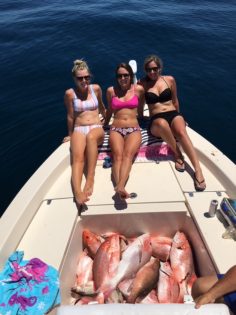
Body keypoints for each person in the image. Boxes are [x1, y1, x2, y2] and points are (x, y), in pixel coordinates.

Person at [139, 54, 206, 191]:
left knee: (181, 131)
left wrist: (180, 117)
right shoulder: (142, 84)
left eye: (154, 68)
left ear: (160, 68)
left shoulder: (169, 80)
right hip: (156, 119)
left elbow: (175, 101)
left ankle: (198, 170)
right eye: (148, 69)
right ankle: (178, 154)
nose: (152, 72)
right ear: (145, 70)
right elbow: (140, 105)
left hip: (173, 113)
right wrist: (140, 117)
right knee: (163, 124)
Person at [63, 59, 106, 206]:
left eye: (86, 77)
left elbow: (101, 106)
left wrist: (107, 120)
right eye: (80, 78)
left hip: (96, 127)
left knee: (92, 137)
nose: (84, 80)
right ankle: (77, 192)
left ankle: (90, 178)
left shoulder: (96, 89)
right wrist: (70, 134)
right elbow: (70, 116)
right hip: (79, 128)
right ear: (74, 79)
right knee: (78, 159)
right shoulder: (70, 94)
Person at [104, 62, 145, 199]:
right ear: (116, 77)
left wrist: (145, 119)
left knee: (128, 155)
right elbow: (109, 110)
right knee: (117, 156)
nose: (123, 78)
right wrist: (104, 124)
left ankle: (120, 186)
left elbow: (141, 108)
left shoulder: (138, 89)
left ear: (130, 75)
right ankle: (120, 186)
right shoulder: (111, 91)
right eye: (119, 76)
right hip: (116, 128)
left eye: (126, 75)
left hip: (133, 128)